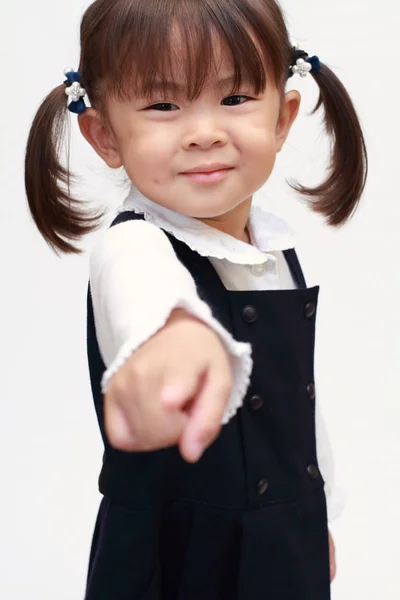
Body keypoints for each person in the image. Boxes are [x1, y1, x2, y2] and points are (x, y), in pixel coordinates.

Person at [25, 1, 367, 598]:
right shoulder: (134, 248)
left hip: (283, 542)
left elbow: (297, 407)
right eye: (163, 105)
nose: (204, 131)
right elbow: (148, 295)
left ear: (283, 117)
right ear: (104, 133)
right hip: (177, 559)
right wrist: (176, 335)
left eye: (234, 99)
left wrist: (313, 516)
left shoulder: (275, 249)